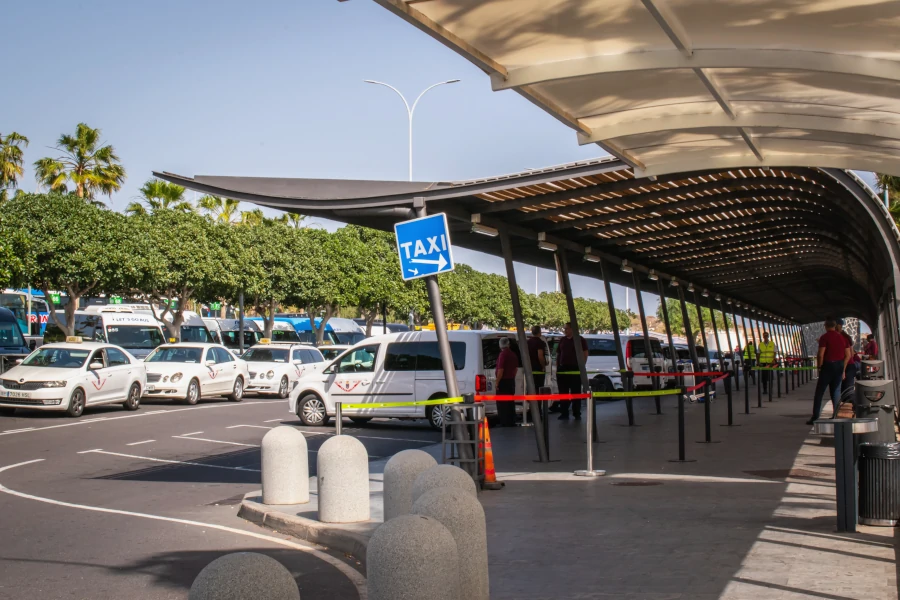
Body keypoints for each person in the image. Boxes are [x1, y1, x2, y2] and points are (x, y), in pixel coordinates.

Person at [808, 318, 852, 424]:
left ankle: (815, 417)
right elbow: (848, 355)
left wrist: (819, 367)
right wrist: (843, 368)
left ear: (826, 326)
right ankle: (836, 415)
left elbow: (820, 354)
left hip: (828, 365)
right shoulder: (842, 338)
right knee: (836, 392)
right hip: (839, 365)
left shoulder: (824, 337)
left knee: (819, 392)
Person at [555, 322, 587, 421]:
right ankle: (564, 413)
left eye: (567, 329)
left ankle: (576, 413)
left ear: (572, 329)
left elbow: (585, 353)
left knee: (575, 392)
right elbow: (558, 354)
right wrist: (558, 367)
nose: (565, 331)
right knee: (563, 392)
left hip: (575, 368)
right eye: (564, 329)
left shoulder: (580, 340)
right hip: (563, 368)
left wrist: (581, 366)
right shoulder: (562, 340)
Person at [495, 337, 519, 427]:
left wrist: (497, 382)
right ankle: (511, 421)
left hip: (503, 381)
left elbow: (500, 370)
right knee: (510, 402)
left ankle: (504, 422)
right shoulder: (513, 354)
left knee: (502, 403)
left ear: (500, 345)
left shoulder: (503, 355)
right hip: (510, 381)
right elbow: (515, 369)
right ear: (508, 344)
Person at [836, 319, 860, 392]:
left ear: (838, 326)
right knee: (847, 391)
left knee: (844, 391)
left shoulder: (841, 337)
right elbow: (851, 353)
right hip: (849, 365)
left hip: (845, 365)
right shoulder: (847, 336)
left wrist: (843, 370)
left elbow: (848, 355)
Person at [526, 325, 549, 394]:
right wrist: (543, 367)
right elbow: (540, 356)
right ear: (540, 332)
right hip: (538, 369)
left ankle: (531, 404)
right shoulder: (540, 342)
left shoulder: (528, 342)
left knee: (530, 389)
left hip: (529, 369)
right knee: (538, 389)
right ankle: (538, 404)